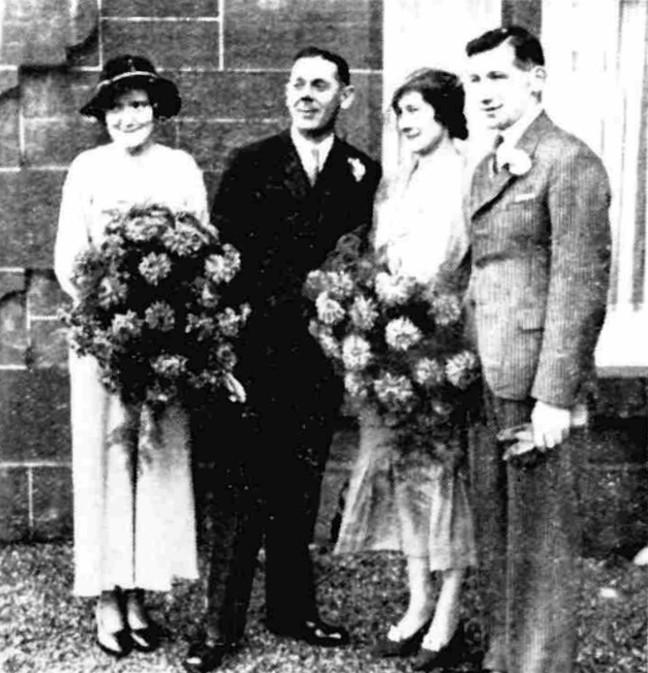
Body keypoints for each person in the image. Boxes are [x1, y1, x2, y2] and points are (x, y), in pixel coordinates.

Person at [183, 46, 381, 672]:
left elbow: (361, 262)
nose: (305, 93)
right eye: (297, 83)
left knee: (299, 487)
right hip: (252, 351)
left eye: (320, 85)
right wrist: (224, 355)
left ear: (344, 96)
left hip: (317, 358)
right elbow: (221, 264)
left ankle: (292, 610)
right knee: (236, 494)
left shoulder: (361, 171)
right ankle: (219, 629)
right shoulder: (252, 163)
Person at [463, 26, 611, 673]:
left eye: (498, 76)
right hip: (486, 378)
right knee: (497, 541)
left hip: (535, 386)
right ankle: (505, 657)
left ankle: (540, 664)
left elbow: (580, 286)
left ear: (536, 78)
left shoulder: (569, 161)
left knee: (542, 547)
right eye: (475, 80)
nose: (484, 93)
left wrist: (556, 397)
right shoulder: (488, 164)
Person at [54, 55, 207, 658]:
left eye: (139, 105)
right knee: (106, 462)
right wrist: (113, 316)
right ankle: (106, 599)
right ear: (103, 116)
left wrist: (165, 318)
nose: (128, 117)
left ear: (157, 111)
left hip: (163, 342)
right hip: (103, 340)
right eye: (117, 107)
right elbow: (71, 257)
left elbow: (196, 244)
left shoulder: (180, 167)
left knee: (154, 461)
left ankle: (140, 593)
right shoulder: (87, 168)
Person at [333, 68, 477, 673]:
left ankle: (448, 614)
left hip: (440, 345)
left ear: (445, 113)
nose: (407, 122)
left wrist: (416, 301)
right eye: (400, 113)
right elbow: (379, 251)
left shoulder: (472, 170)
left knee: (440, 479)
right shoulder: (395, 176)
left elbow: (455, 261)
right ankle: (417, 603)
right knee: (400, 477)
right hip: (390, 346)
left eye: (416, 110)